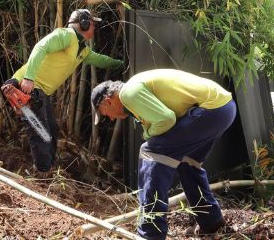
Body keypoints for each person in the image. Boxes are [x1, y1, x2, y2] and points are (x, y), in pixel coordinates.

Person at [91, 69, 236, 239]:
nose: (110, 118)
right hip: (224, 109)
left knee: (150, 152)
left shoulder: (128, 94)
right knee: (187, 163)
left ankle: (150, 233)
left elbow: (167, 120)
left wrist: (148, 134)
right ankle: (211, 222)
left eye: (105, 114)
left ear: (109, 102)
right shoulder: (133, 93)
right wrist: (150, 132)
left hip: (210, 110)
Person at [2, 9, 123, 172]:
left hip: (41, 91)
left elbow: (102, 60)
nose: (94, 28)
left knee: (51, 130)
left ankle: (48, 169)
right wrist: (29, 77)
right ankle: (42, 173)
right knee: (41, 132)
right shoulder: (67, 35)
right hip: (26, 87)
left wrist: (121, 64)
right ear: (83, 23)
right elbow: (41, 46)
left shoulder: (83, 50)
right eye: (92, 24)